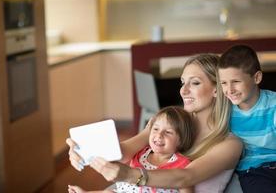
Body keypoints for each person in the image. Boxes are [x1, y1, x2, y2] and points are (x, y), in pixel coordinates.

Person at [66, 53, 243, 192]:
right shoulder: (166, 123)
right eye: (182, 82)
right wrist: (86, 150)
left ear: (217, 89)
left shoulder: (230, 144)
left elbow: (185, 177)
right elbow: (124, 151)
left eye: (194, 83)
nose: (183, 90)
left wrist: (130, 175)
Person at [68, 106, 196, 193]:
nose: (159, 135)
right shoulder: (140, 154)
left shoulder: (182, 165)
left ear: (182, 139)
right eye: (155, 129)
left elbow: (186, 185)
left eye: (168, 132)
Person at [217, 44, 276, 193]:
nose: (229, 90)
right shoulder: (226, 110)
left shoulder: (273, 104)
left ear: (257, 77)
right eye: (224, 83)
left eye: (236, 82)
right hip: (253, 171)